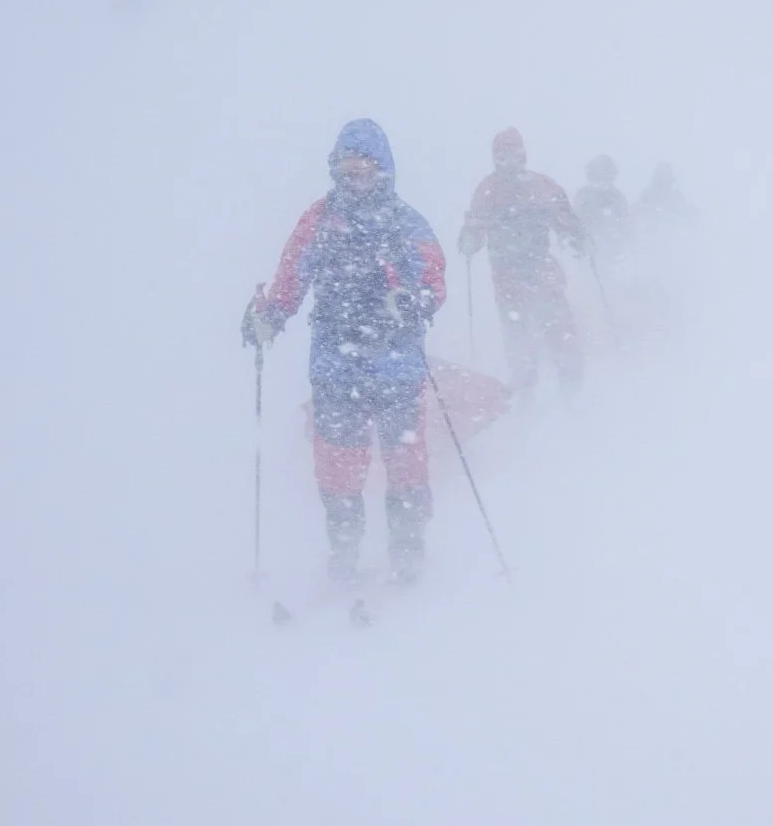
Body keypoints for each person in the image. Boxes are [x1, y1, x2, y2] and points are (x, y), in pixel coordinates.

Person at [242, 118, 446, 587]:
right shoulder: (320, 219)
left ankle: (409, 547)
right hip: (337, 361)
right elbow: (292, 275)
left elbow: (432, 274)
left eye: (363, 170)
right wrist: (270, 315)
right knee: (337, 461)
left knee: (405, 460)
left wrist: (420, 300)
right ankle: (345, 548)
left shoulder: (404, 221)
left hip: (396, 360)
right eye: (346, 171)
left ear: (383, 171)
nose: (354, 180)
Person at [459, 127, 587, 400]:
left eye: (514, 154)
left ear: (523, 155)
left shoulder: (540, 186)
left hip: (540, 270)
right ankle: (527, 393)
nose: (509, 161)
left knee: (559, 329)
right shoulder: (488, 190)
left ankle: (571, 389)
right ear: (496, 158)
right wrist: (469, 238)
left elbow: (563, 217)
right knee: (520, 338)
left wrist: (576, 236)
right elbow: (474, 230)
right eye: (503, 156)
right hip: (508, 276)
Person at [574, 154, 630, 264]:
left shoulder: (617, 198)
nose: (601, 182)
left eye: (605, 178)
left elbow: (625, 224)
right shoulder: (582, 196)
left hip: (611, 251)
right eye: (598, 178)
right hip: (588, 250)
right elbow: (574, 220)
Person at [635, 161, 696, 231]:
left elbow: (683, 217)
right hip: (650, 232)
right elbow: (639, 216)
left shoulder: (677, 197)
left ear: (671, 180)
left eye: (667, 180)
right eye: (660, 182)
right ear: (655, 180)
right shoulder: (646, 196)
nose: (664, 185)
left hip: (672, 233)